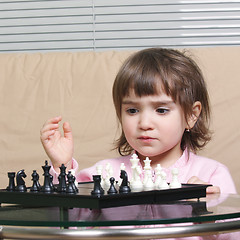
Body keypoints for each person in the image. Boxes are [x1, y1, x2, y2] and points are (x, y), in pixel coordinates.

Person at [40, 48, 236, 195]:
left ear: (192, 115)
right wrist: (62, 167)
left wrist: (212, 208)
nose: (144, 123)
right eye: (132, 110)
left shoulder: (212, 175)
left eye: (161, 110)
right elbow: (70, 223)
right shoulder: (101, 175)